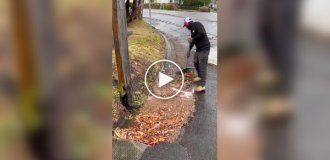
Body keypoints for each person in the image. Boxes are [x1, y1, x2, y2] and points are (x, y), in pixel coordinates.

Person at [184, 17, 210, 92]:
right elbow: (192, 42)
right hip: (199, 49)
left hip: (204, 48)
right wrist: (189, 50)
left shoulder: (197, 24)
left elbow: (202, 33)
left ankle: (202, 86)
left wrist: (193, 38)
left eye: (186, 26)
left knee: (202, 66)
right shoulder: (192, 31)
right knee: (196, 63)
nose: (186, 27)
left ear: (187, 24)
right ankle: (199, 76)